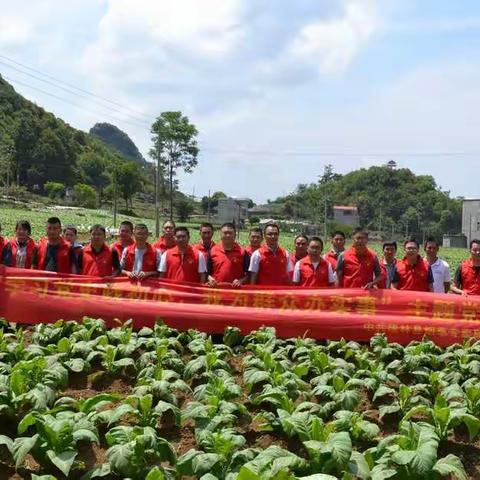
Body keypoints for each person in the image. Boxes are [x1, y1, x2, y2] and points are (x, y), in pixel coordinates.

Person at [207, 223, 249, 288]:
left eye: (230, 233)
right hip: (217, 290)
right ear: (220, 235)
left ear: (235, 235)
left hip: (236, 291)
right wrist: (211, 279)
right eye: (225, 233)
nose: (228, 235)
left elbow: (249, 275)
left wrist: (240, 281)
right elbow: (206, 273)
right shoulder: (212, 250)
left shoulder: (242, 252)